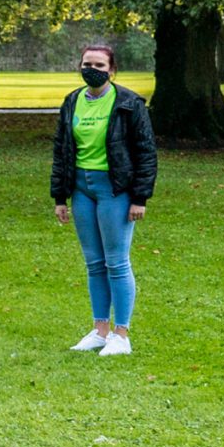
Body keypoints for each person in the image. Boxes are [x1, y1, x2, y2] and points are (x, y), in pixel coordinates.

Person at [52, 43, 157, 357]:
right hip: (81, 189)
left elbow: (146, 152)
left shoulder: (128, 103)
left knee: (117, 261)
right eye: (87, 64)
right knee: (94, 263)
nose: (92, 70)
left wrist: (139, 197)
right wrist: (60, 196)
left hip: (115, 189)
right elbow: (61, 151)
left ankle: (121, 335)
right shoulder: (72, 102)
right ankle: (100, 331)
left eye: (99, 66)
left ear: (112, 70)